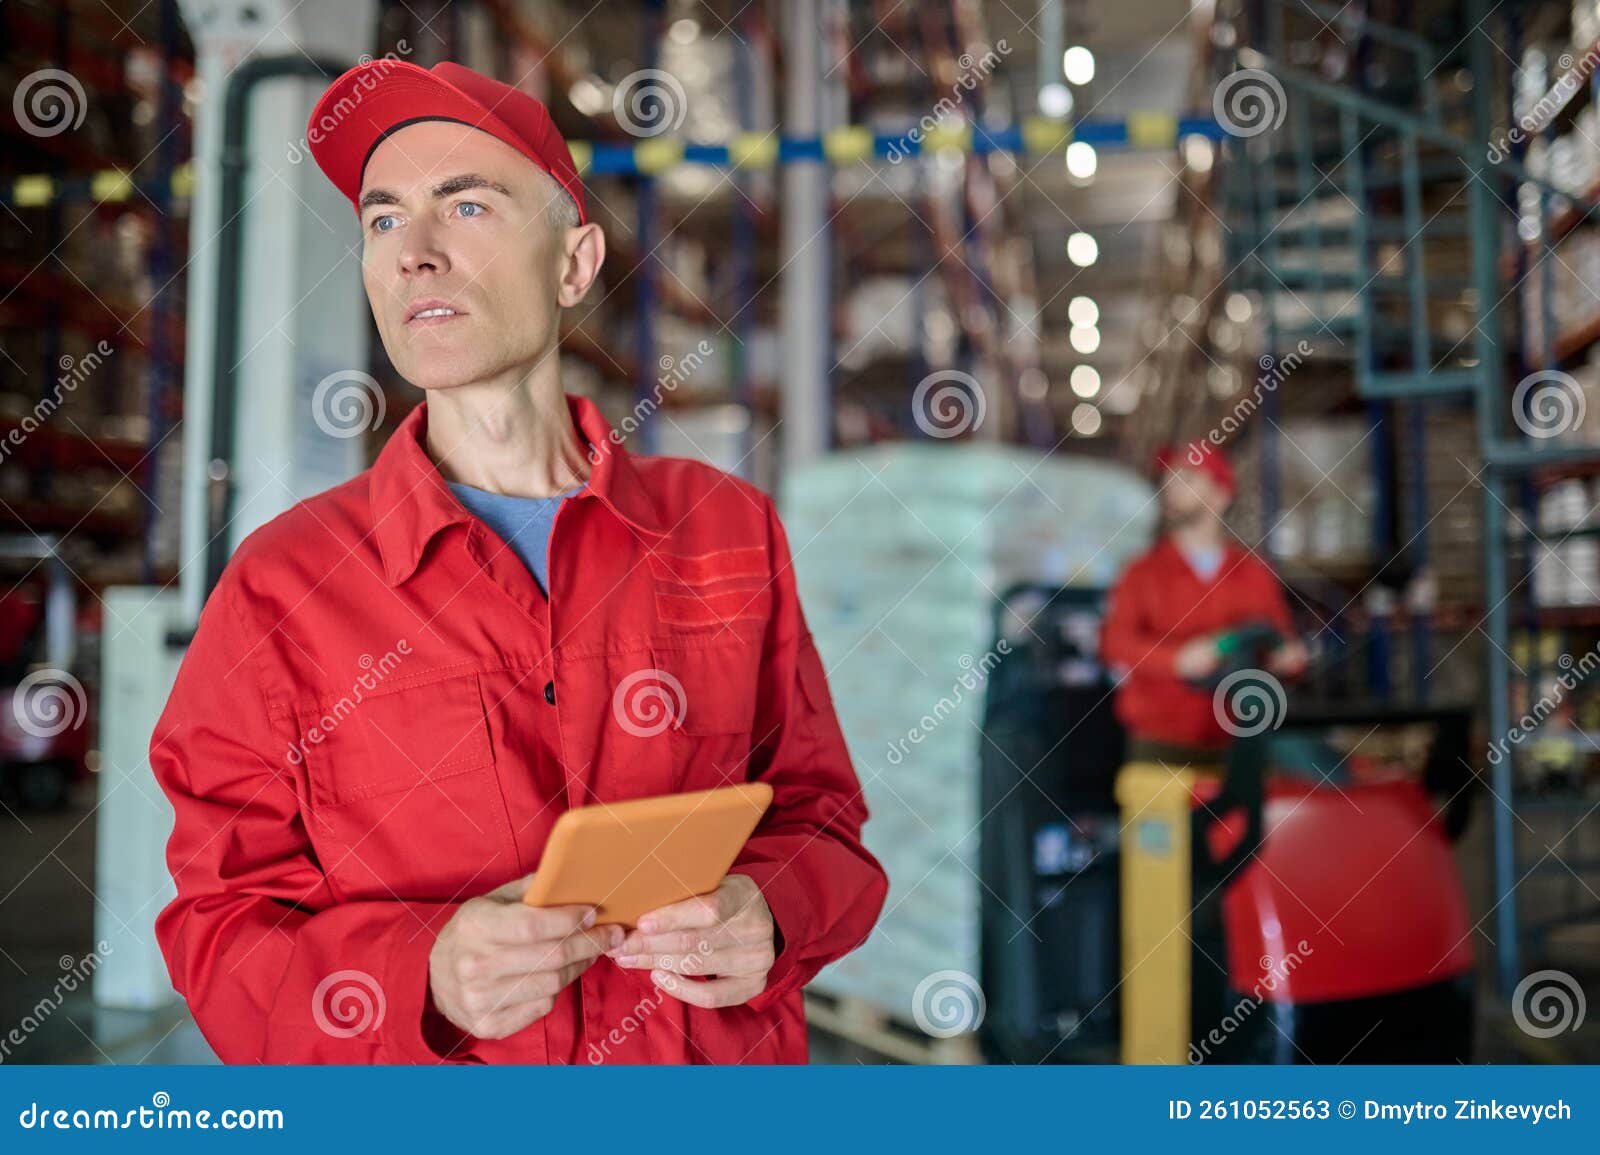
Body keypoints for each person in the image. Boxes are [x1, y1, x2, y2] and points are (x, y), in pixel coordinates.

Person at [150, 59, 887, 1064]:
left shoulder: (722, 529)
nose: (413, 253)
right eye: (381, 220)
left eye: (464, 206)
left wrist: (773, 907)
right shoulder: (286, 585)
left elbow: (822, 819)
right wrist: (423, 972)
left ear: (574, 263)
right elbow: (218, 931)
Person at [1100, 442, 1308, 759]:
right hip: (1160, 751)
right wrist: (1176, 660)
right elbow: (1114, 643)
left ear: (1221, 495)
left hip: (1241, 748)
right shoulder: (1141, 572)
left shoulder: (1253, 573)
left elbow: (1278, 640)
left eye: (1187, 479)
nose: (1172, 488)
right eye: (1168, 480)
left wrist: (1288, 658)